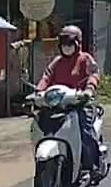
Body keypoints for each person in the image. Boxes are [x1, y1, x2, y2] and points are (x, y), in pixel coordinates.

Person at [36, 25, 101, 173]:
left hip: (80, 104)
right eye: (63, 44)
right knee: (42, 125)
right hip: (58, 105)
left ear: (78, 43)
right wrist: (39, 91)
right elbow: (47, 76)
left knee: (85, 132)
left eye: (70, 43)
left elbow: (93, 74)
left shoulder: (85, 59)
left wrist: (89, 90)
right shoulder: (57, 62)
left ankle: (91, 166)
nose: (66, 47)